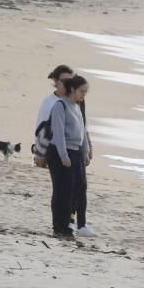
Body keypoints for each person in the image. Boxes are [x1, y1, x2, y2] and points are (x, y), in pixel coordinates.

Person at [46, 75, 91, 239]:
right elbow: (58, 133)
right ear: (72, 89)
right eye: (82, 91)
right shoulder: (60, 106)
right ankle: (60, 227)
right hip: (60, 153)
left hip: (77, 152)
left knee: (78, 190)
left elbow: (82, 131)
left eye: (86, 92)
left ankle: (71, 225)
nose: (84, 95)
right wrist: (63, 155)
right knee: (63, 191)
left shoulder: (77, 107)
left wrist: (85, 152)